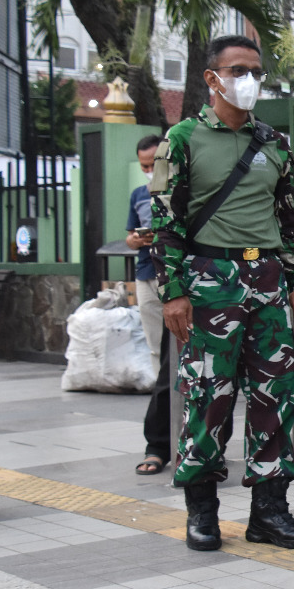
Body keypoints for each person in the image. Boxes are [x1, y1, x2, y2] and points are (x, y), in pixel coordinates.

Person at [151, 34, 294, 552]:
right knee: (207, 397)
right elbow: (165, 224)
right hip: (208, 282)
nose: (249, 80)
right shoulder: (180, 139)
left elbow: (288, 221)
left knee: (276, 395)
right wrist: (173, 292)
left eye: (256, 71)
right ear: (212, 78)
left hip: (267, 281)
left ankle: (270, 511)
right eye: (238, 70)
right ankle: (202, 510)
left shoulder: (275, 142)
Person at [127, 134, 169, 475]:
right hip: (146, 273)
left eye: (153, 163)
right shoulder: (139, 195)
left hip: (179, 276)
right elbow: (128, 235)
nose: (148, 170)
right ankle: (162, 425)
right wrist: (137, 238)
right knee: (158, 353)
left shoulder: (180, 189)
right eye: (143, 166)